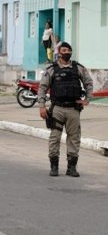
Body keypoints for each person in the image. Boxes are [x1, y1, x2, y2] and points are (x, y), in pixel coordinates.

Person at [38, 42, 93, 177]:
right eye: (64, 50)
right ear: (59, 52)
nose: (66, 52)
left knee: (74, 138)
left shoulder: (78, 68)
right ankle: (54, 166)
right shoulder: (52, 69)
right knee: (55, 138)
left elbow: (88, 83)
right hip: (57, 109)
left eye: (69, 50)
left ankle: (71, 167)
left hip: (73, 109)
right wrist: (42, 106)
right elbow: (42, 88)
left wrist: (87, 99)